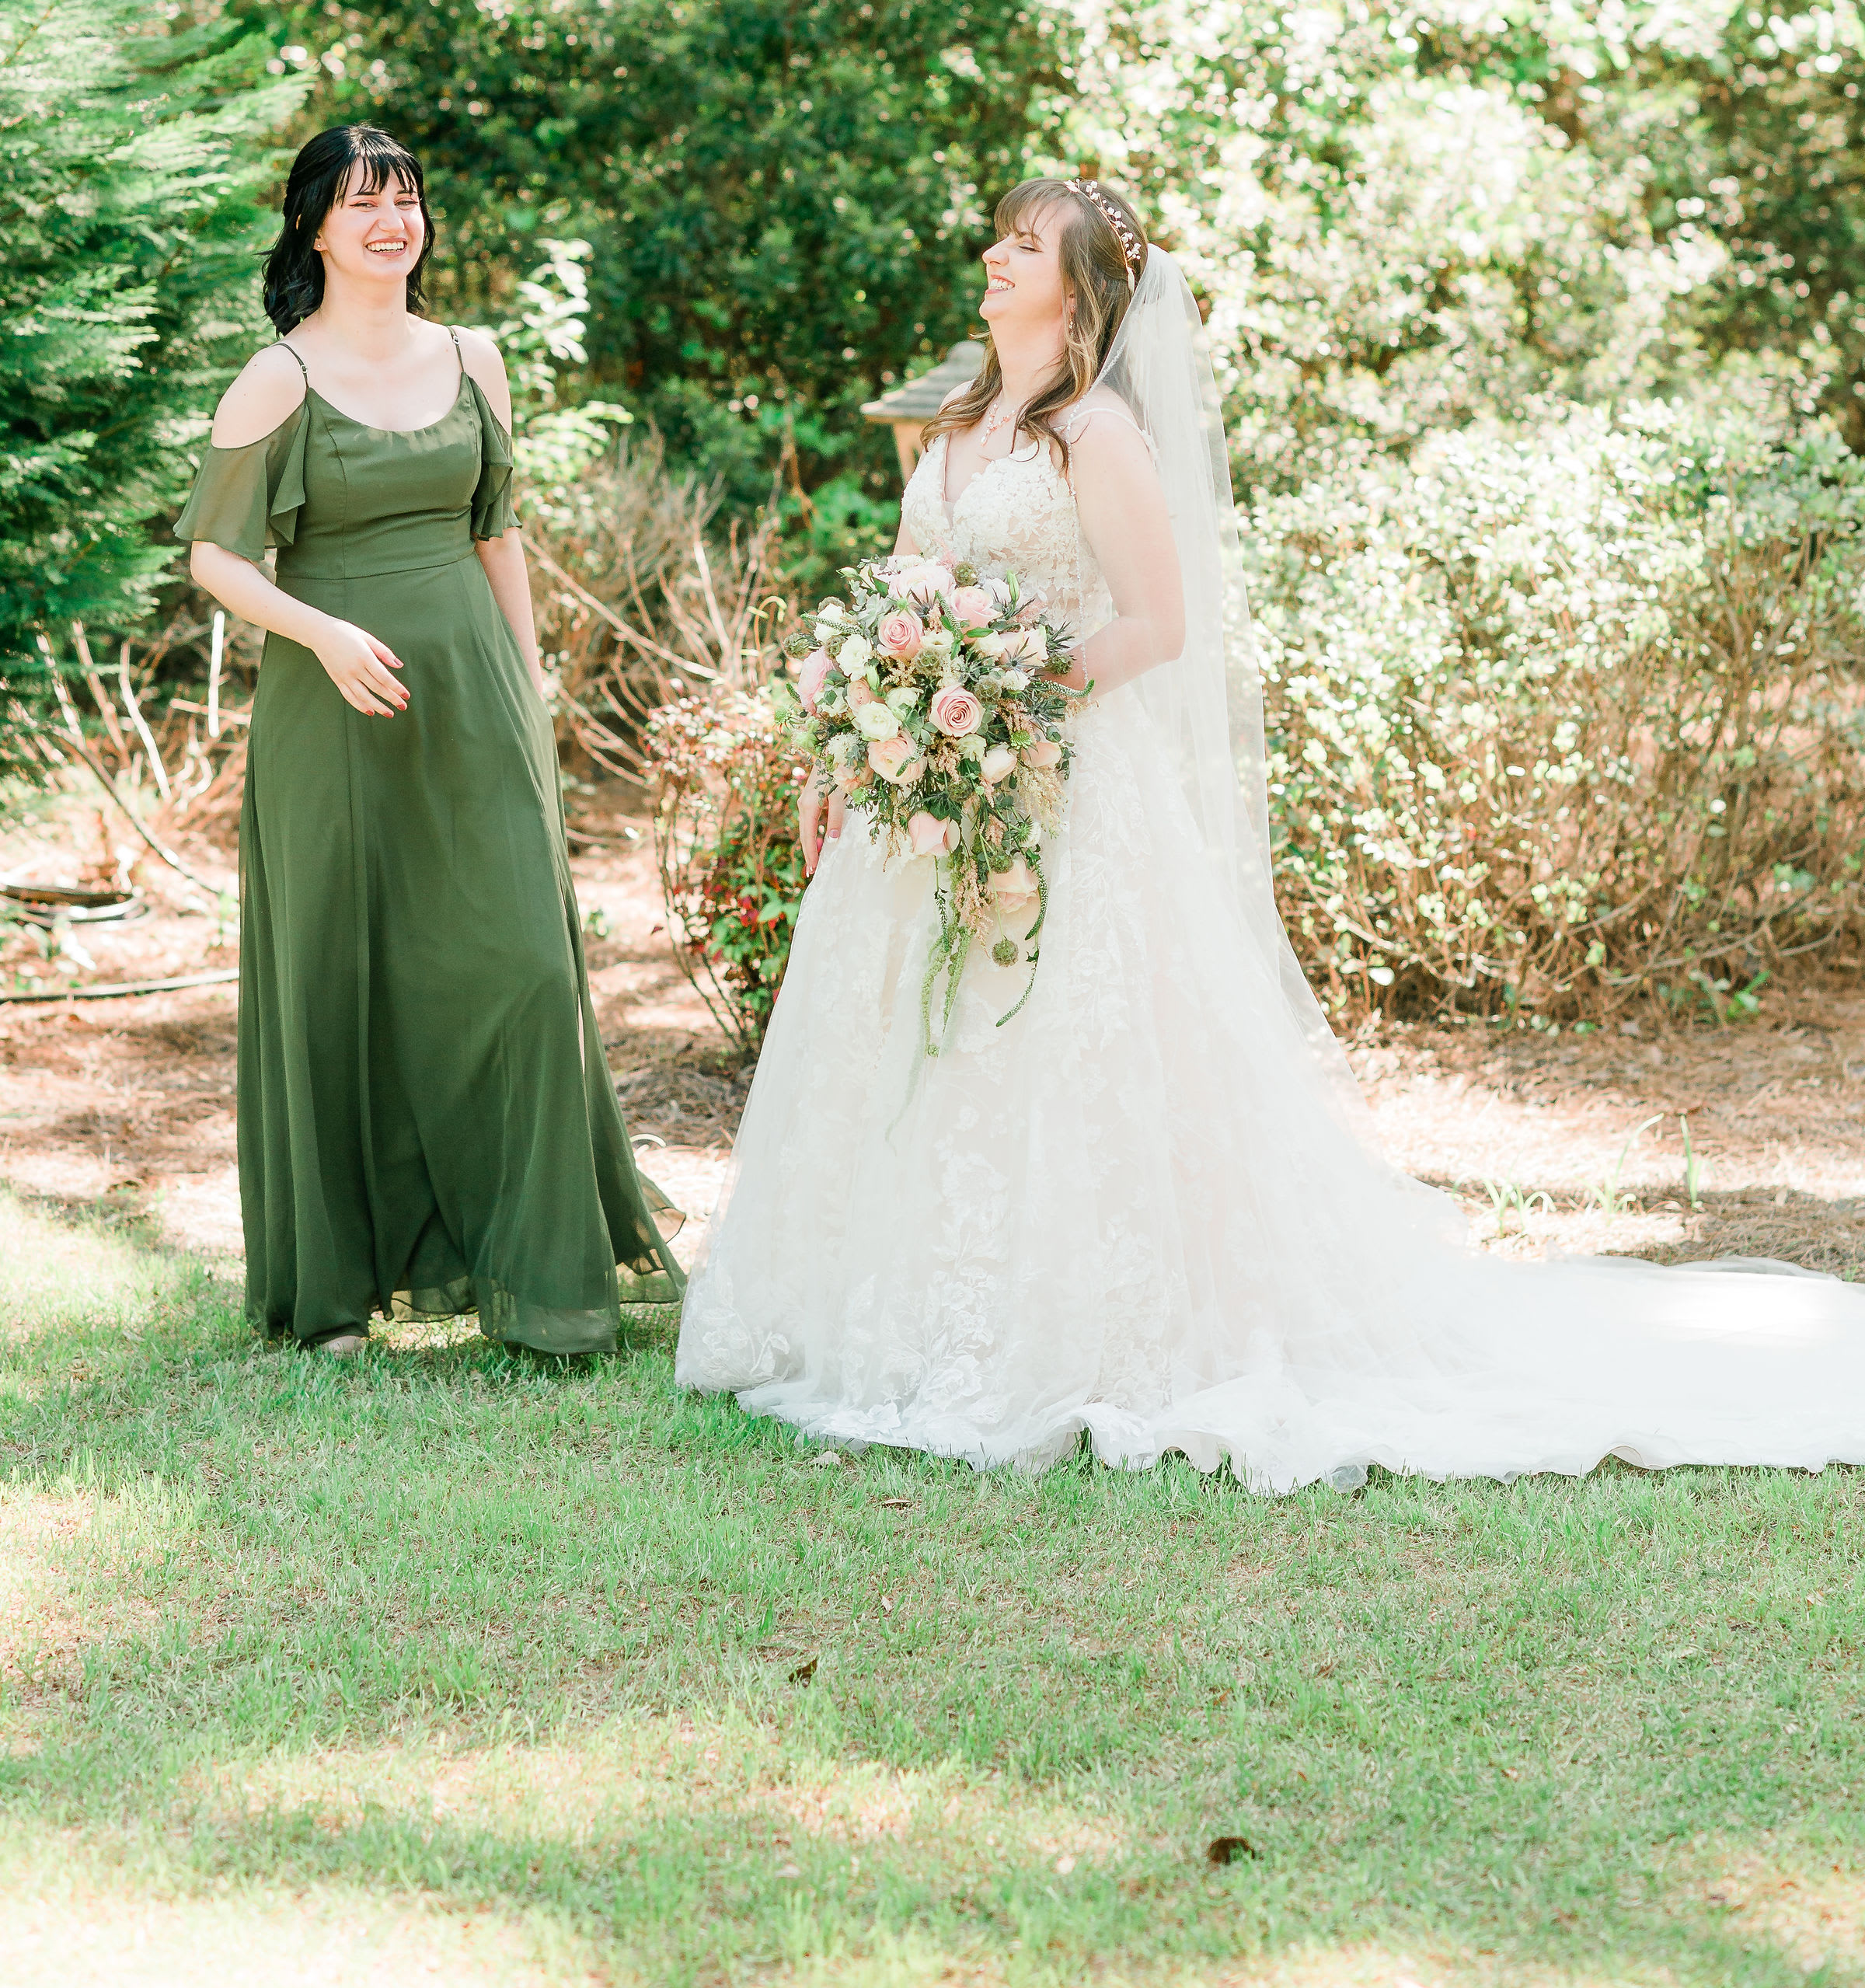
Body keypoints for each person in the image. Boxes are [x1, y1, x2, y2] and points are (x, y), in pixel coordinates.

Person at [677, 179, 1865, 1487]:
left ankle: (1068, 1330)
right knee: (915, 1038)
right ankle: (891, 1325)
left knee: (1054, 1043)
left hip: (1059, 785)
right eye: (1001, 239)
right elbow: (911, 596)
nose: (995, 257)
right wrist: (852, 747)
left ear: (1078, 291)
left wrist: (1009, 705)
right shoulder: (962, 423)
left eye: (1025, 246)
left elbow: (1156, 624)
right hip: (930, 794)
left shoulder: (1097, 434)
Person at [179, 124, 680, 1358]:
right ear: (314, 225)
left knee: (528, 971)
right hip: (332, 717)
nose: (390, 221)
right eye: (361, 202)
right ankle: (335, 1297)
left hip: (472, 694)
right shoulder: (277, 379)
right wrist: (321, 636)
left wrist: (529, 688)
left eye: (404, 199)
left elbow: (497, 533)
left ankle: (540, 1280)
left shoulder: (475, 358)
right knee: (339, 983)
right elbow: (215, 559)